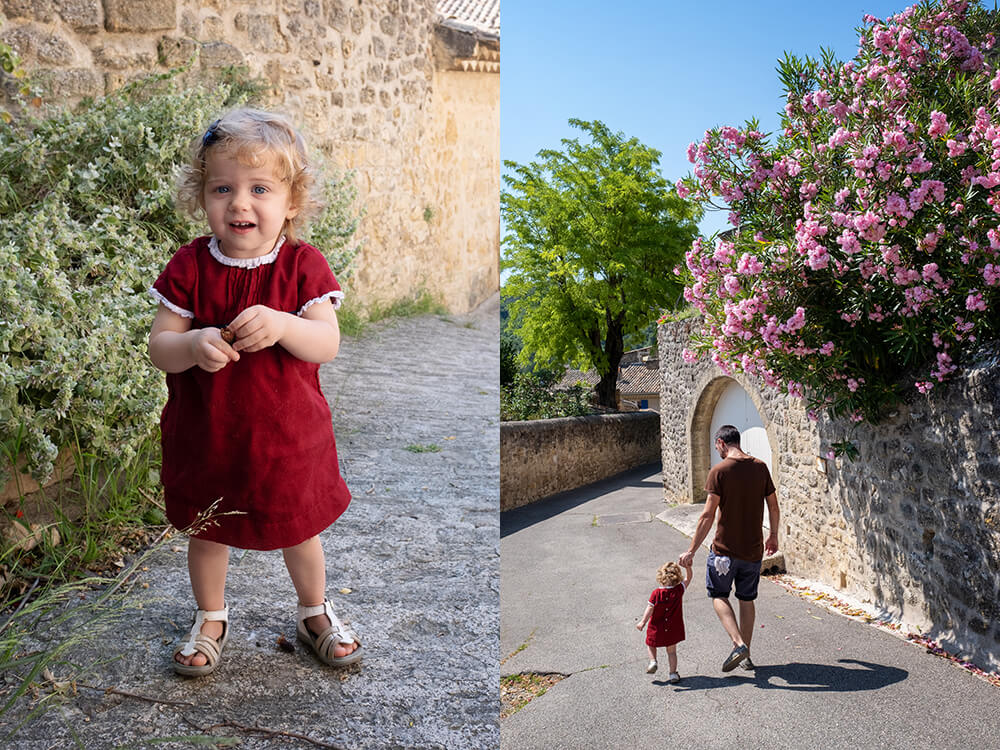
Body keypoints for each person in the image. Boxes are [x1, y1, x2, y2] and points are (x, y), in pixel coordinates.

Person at [148, 108, 361, 676]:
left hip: (287, 437)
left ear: (291, 201)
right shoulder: (190, 266)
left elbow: (326, 342)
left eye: (259, 188)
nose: (240, 203)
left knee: (299, 525)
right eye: (223, 188)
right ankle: (211, 614)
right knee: (208, 528)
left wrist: (287, 325)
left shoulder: (302, 266)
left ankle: (314, 610)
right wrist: (192, 344)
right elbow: (159, 347)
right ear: (203, 197)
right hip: (209, 433)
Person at [678, 424, 779, 672]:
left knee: (718, 595)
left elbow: (707, 515)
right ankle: (746, 656)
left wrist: (691, 550)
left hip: (724, 551)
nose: (718, 451)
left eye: (717, 447)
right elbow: (773, 507)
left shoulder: (719, 471)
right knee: (746, 599)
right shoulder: (760, 467)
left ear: (722, 443)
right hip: (753, 550)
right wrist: (773, 535)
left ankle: (738, 644)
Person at [636, 560, 693, 683]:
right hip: (673, 628)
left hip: (657, 627)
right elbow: (689, 578)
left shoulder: (656, 593)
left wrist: (642, 622)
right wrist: (688, 567)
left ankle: (653, 662)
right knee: (671, 652)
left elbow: (650, 608)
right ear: (677, 577)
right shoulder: (679, 590)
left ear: (660, 577)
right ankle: (673, 674)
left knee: (651, 644)